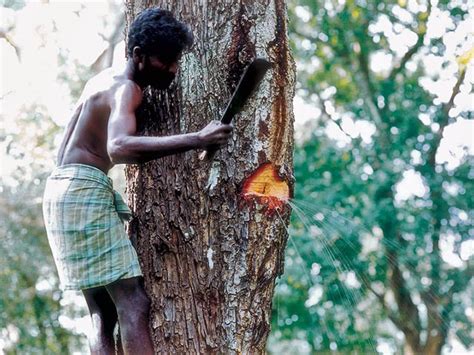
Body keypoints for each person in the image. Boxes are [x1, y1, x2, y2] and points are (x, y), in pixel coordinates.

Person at [42, 7, 233, 355]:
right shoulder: (127, 89)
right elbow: (118, 147)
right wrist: (198, 139)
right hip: (82, 191)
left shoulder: (100, 81)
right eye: (166, 61)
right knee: (133, 302)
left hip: (59, 190)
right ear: (138, 56)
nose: (174, 69)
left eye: (176, 60)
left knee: (102, 313)